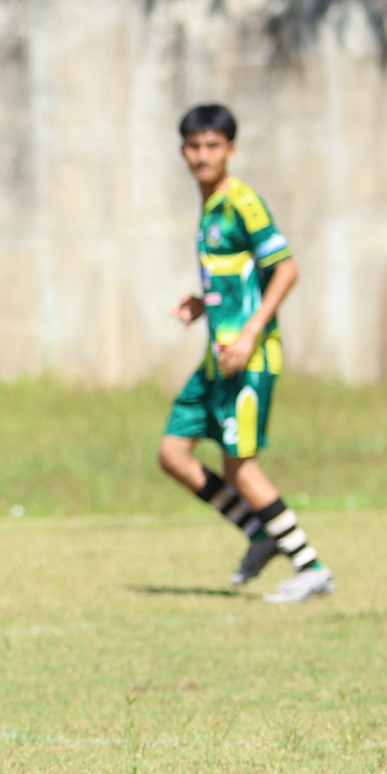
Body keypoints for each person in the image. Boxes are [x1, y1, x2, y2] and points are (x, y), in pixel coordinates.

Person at [156, 105, 334, 603]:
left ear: (231, 149)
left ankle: (311, 567)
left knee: (241, 468)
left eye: (213, 146)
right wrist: (203, 303)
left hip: (248, 358)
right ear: (183, 151)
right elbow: (238, 278)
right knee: (173, 454)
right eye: (194, 146)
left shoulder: (242, 202)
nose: (202, 156)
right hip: (217, 359)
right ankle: (260, 534)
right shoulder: (210, 207)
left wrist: (251, 332)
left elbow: (286, 269)